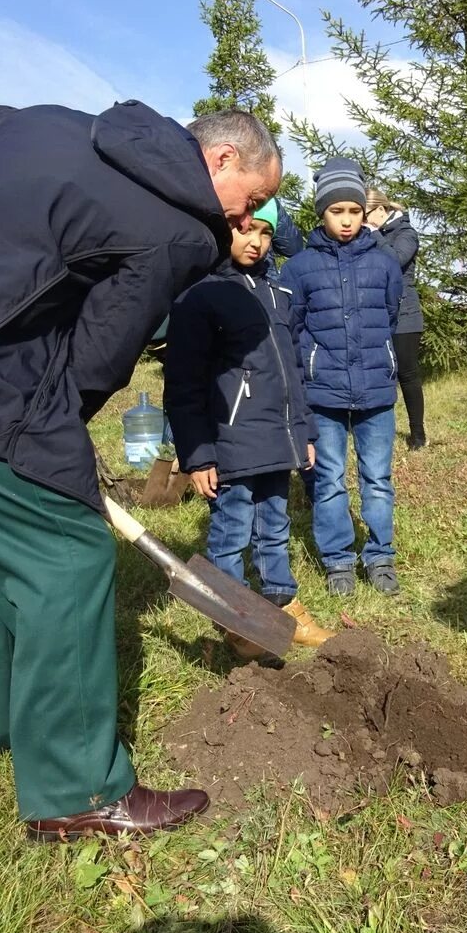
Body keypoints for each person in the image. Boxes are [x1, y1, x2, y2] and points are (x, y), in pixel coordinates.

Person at [0, 100, 281, 839]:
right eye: (251, 201)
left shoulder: (52, 120)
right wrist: (53, 451)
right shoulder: (180, 230)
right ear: (220, 161)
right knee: (68, 551)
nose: (245, 221)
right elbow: (95, 361)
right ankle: (79, 789)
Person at [164, 197, 333, 660]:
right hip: (231, 440)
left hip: (277, 439)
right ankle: (233, 620)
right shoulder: (199, 296)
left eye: (264, 232)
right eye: (244, 231)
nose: (255, 242)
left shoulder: (279, 295)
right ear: (223, 232)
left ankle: (284, 604)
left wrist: (305, 433)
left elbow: (292, 373)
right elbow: (184, 382)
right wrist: (198, 454)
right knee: (231, 531)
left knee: (275, 526)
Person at [279, 157, 404, 597]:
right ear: (322, 213)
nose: (347, 220)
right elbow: (291, 332)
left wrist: (380, 360)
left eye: (354, 210)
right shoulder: (297, 269)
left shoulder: (385, 265)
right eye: (337, 211)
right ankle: (337, 561)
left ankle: (381, 555)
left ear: (364, 211)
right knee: (328, 478)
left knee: (378, 478)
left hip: (375, 392)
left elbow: (388, 317)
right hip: (324, 393)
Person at [366, 187, 426, 449]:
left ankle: (418, 434)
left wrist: (374, 234)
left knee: (408, 375)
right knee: (381, 375)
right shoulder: (371, 233)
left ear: (380, 210)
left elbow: (396, 261)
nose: (361, 221)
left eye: (365, 214)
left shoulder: (406, 233)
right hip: (377, 313)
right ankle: (379, 432)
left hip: (405, 315)